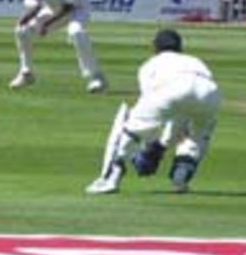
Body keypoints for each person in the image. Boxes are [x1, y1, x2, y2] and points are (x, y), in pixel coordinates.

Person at [86, 29, 221, 195]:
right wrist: (161, 146)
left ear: (155, 48)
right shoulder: (194, 60)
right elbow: (179, 114)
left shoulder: (150, 64)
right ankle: (181, 175)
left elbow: (152, 111)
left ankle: (110, 178)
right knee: (197, 136)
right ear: (180, 47)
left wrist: (150, 148)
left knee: (130, 127)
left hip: (175, 87)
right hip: (210, 92)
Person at [11, 0, 107, 93]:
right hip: (53, 9)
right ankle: (26, 73)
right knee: (22, 31)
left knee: (76, 33)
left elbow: (69, 6)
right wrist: (24, 18)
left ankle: (96, 77)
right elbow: (36, 4)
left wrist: (47, 24)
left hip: (77, 10)